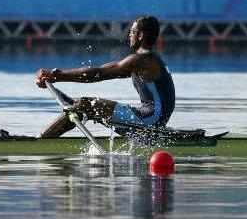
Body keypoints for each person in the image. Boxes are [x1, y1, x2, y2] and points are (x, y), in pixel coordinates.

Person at [36, 16, 175, 138]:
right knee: (79, 105)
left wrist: (55, 75)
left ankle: (41, 141)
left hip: (149, 120)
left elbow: (96, 74)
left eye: (132, 32)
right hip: (153, 120)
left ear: (140, 36)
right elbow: (101, 71)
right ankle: (45, 138)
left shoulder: (142, 60)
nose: (129, 36)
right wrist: (55, 80)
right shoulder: (147, 61)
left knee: (86, 105)